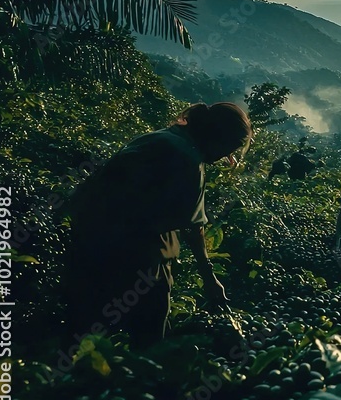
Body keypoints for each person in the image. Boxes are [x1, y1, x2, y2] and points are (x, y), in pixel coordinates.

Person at [65, 102, 253, 347]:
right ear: (217, 136)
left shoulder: (161, 137)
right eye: (230, 148)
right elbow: (192, 228)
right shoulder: (189, 159)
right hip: (131, 251)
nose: (224, 158)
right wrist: (209, 279)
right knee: (149, 337)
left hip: (87, 238)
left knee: (84, 329)